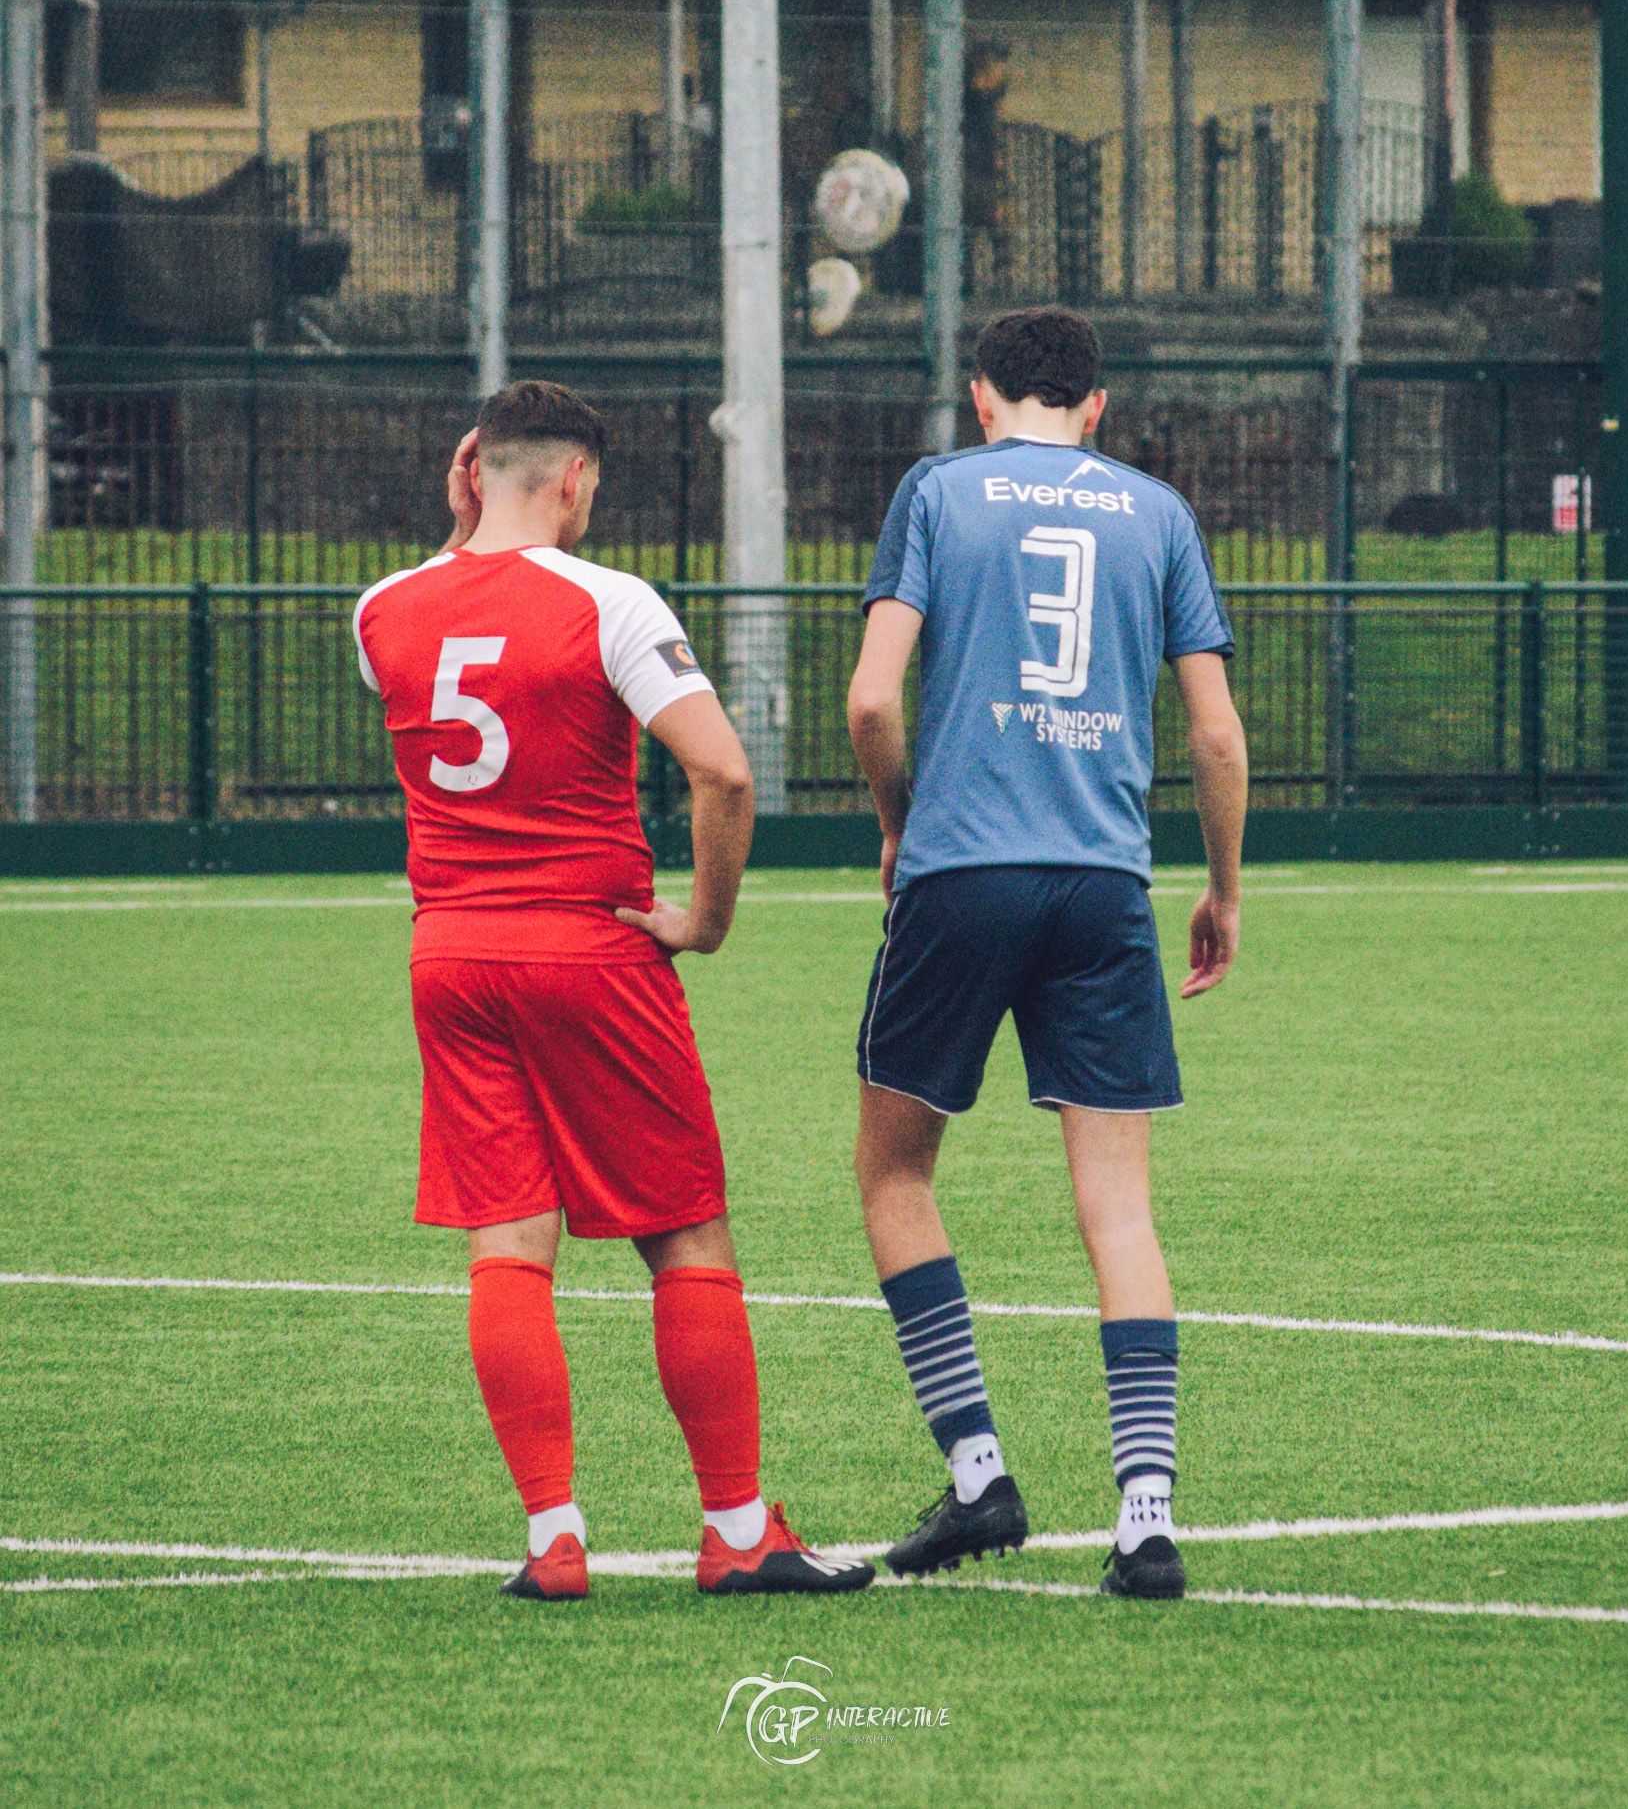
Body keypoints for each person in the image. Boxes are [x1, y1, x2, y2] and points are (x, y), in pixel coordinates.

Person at [353, 378, 872, 1603]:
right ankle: (739, 1531)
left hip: (451, 955)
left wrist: (457, 526)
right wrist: (705, 919)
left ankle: (552, 1540)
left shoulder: (382, 609)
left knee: (507, 1241)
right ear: (577, 477)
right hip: (588, 950)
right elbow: (724, 773)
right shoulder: (610, 602)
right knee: (684, 1228)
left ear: (471, 465)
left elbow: (452, 614)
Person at [845, 307, 1247, 1599]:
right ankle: (1143, 1523)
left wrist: (902, 827)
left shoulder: (936, 491)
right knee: (1117, 1205)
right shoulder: (1154, 511)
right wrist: (1222, 890)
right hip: (1101, 884)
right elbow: (1215, 736)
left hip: (964, 872)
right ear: (1096, 406)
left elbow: (866, 698)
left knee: (894, 1173)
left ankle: (978, 1481)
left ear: (977, 397)